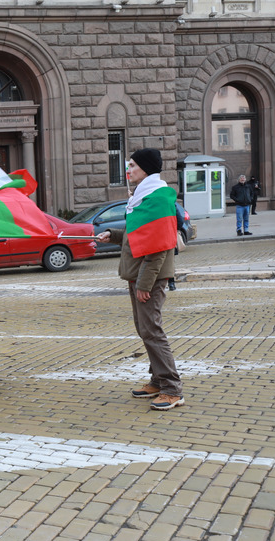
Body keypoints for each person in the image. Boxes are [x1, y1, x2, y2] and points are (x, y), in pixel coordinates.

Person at [96, 148, 183, 411]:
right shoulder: (143, 196)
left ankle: (172, 388)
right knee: (145, 330)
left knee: (152, 332)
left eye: (132, 165)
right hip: (138, 276)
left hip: (148, 280)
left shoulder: (156, 198)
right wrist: (112, 233)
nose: (128, 170)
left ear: (145, 168)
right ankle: (157, 380)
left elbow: (158, 249)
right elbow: (139, 235)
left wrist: (144, 285)